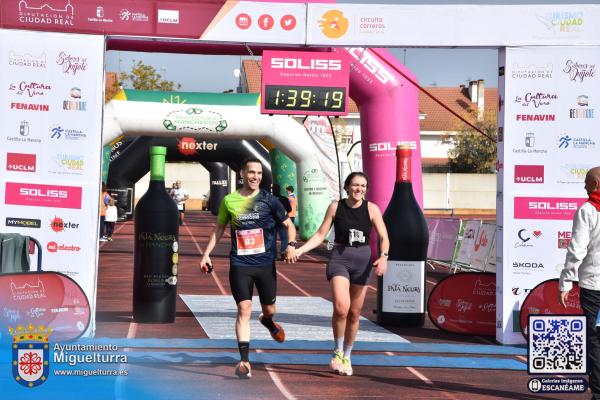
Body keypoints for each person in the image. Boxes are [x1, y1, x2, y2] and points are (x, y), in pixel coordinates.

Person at [199, 158, 298, 379]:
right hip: (240, 264)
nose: (255, 177)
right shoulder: (229, 201)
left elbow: (289, 226)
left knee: (269, 309)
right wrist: (206, 254)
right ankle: (244, 361)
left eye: (259, 173)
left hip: (265, 265)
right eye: (251, 172)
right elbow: (219, 229)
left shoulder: (270, 201)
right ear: (242, 173)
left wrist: (290, 245)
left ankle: (267, 320)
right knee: (243, 310)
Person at [290, 172, 389, 377]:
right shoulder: (336, 206)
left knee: (354, 313)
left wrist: (384, 256)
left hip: (363, 261)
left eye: (363, 186)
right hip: (340, 259)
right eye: (355, 185)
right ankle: (336, 351)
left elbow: (383, 236)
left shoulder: (372, 209)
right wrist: (300, 250)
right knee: (341, 307)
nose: (359, 189)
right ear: (347, 187)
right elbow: (320, 234)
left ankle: (347, 355)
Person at [559, 166, 600, 398]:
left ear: (595, 184)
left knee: (595, 340)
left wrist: (565, 282)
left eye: (586, 182)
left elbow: (576, 250)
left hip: (594, 287)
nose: (583, 186)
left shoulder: (587, 210)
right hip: (593, 285)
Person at [272, 184, 292, 257]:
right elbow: (290, 209)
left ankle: (274, 254)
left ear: (272, 190)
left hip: (272, 222)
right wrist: (283, 213)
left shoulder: (269, 199)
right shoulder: (284, 199)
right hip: (282, 221)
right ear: (279, 190)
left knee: (272, 239)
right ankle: (283, 252)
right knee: (284, 238)